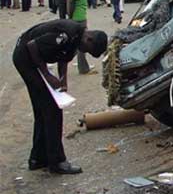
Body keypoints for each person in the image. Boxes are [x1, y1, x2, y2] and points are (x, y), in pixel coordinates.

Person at [13, 19, 107, 174]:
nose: (85, 52)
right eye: (88, 50)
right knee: (52, 110)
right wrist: (47, 74)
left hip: (31, 58)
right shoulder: (67, 33)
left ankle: (38, 158)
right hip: (25, 58)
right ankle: (57, 162)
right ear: (88, 38)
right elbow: (32, 46)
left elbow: (63, 58)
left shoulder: (77, 40)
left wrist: (63, 80)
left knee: (42, 110)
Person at [67, 0, 94, 74]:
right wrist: (71, 16)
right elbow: (72, 0)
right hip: (78, 17)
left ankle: (83, 66)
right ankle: (83, 68)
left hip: (80, 14)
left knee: (79, 43)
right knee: (82, 43)